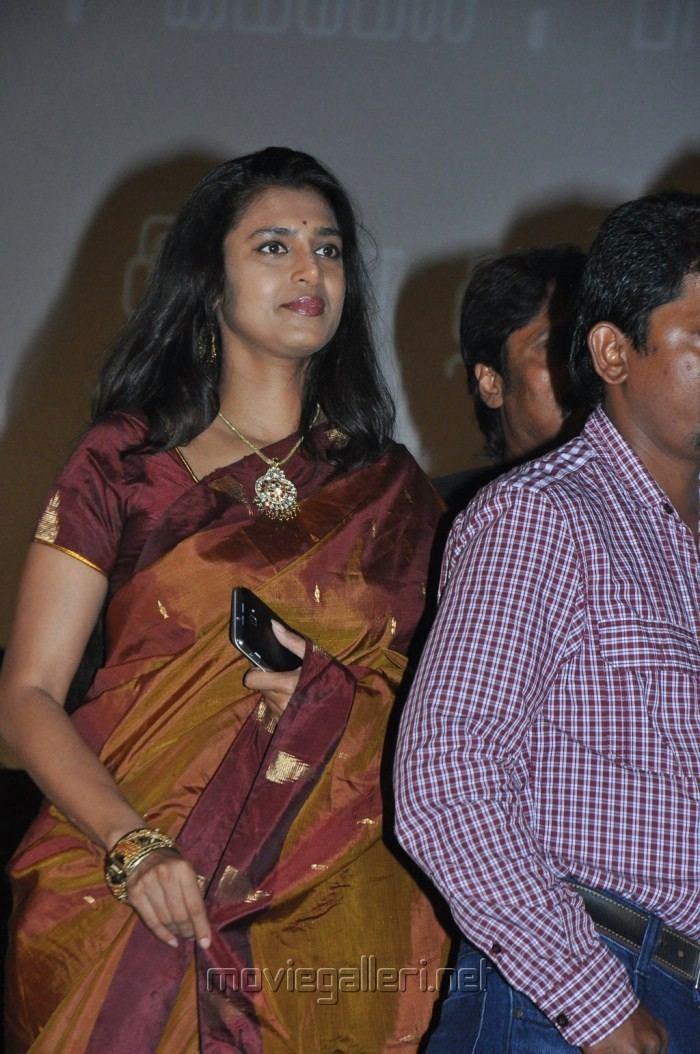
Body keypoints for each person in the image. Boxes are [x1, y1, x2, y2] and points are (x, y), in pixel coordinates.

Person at [1, 147, 447, 1053]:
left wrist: (334, 705)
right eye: (273, 246)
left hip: (333, 901)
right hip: (134, 882)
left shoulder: (390, 490)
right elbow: (25, 700)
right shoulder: (127, 465)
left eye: (326, 249)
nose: (309, 269)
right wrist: (135, 849)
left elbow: (446, 710)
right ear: (209, 280)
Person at [394, 191, 700, 1053]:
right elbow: (446, 779)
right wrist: (598, 1006)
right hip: (585, 998)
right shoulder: (542, 516)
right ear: (612, 350)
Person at [437, 246, 586, 512]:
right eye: (556, 345)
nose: (582, 367)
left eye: (591, 347)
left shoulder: (659, 504)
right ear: (491, 382)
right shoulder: (435, 516)